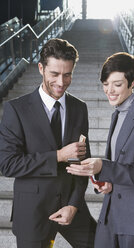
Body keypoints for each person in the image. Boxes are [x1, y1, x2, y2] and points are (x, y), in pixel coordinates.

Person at [0, 38, 96, 248]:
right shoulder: (16, 109)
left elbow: (82, 164)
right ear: (41, 68)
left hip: (72, 206)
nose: (61, 82)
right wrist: (58, 156)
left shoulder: (80, 108)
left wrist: (73, 204)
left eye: (68, 74)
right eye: (54, 74)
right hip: (33, 212)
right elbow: (7, 164)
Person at [67, 52, 134, 248]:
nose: (109, 90)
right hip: (110, 215)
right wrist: (107, 182)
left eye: (117, 84)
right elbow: (119, 165)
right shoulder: (117, 114)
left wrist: (103, 166)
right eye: (105, 84)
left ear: (132, 82)